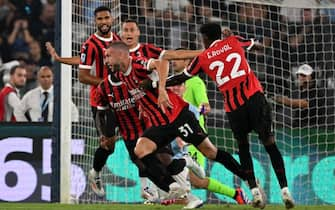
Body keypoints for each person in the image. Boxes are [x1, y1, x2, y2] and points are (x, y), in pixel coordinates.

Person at [159, 23, 295, 209]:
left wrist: (157, 85)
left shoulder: (203, 56)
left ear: (204, 38)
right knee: (270, 143)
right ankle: (285, 190)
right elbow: (258, 46)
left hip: (233, 106)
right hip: (254, 98)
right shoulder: (234, 41)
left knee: (243, 147)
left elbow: (180, 77)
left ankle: (254, 191)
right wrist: (252, 43)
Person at [105, 41, 249, 200]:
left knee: (210, 152)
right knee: (140, 150)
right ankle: (173, 188)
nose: (106, 61)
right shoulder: (120, 75)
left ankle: (248, 179)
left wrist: (161, 91)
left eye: (108, 56)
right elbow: (141, 91)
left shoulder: (138, 63)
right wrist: (142, 106)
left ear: (121, 54)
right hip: (160, 123)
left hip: (178, 115)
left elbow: (162, 63)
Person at [46, 6, 121, 197]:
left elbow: (82, 60)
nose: (104, 22)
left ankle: (150, 187)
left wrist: (60, 58)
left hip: (122, 98)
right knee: (108, 145)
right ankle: (95, 173)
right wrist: (108, 83)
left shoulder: (118, 41)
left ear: (112, 20)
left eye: (106, 18)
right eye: (100, 19)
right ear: (95, 21)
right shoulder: (90, 44)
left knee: (135, 137)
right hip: (101, 101)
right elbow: (83, 75)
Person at [169, 83, 248, 205]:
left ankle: (236, 193)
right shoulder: (167, 104)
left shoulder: (195, 83)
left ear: (185, 88)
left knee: (195, 180)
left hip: (192, 145)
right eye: (172, 86)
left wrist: (202, 107)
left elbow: (204, 108)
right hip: (174, 147)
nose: (175, 88)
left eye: (179, 85)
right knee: (185, 179)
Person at [14, 66, 79, 122]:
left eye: (48, 76)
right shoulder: (31, 95)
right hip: (36, 129)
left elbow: (74, 112)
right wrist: (26, 125)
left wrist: (70, 127)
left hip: (55, 130)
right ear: (38, 78)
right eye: (43, 77)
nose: (46, 79)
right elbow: (18, 111)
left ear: (53, 77)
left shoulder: (60, 94)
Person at [274, 64, 326, 128]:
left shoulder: (318, 92)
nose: (301, 78)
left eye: (304, 75)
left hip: (313, 127)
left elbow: (302, 104)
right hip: (297, 125)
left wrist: (279, 99)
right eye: (299, 75)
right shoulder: (296, 90)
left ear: (312, 77)